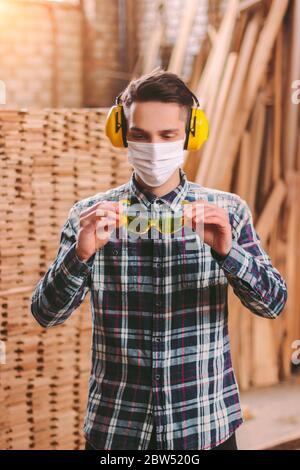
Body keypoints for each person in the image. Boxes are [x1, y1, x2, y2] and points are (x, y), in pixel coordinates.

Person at [31, 67, 288, 451]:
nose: (154, 147)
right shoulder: (89, 215)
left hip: (204, 424)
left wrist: (227, 252)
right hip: (118, 428)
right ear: (122, 135)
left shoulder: (227, 211)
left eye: (167, 135)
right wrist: (80, 254)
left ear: (189, 135)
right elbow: (45, 314)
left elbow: (274, 303)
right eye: (140, 135)